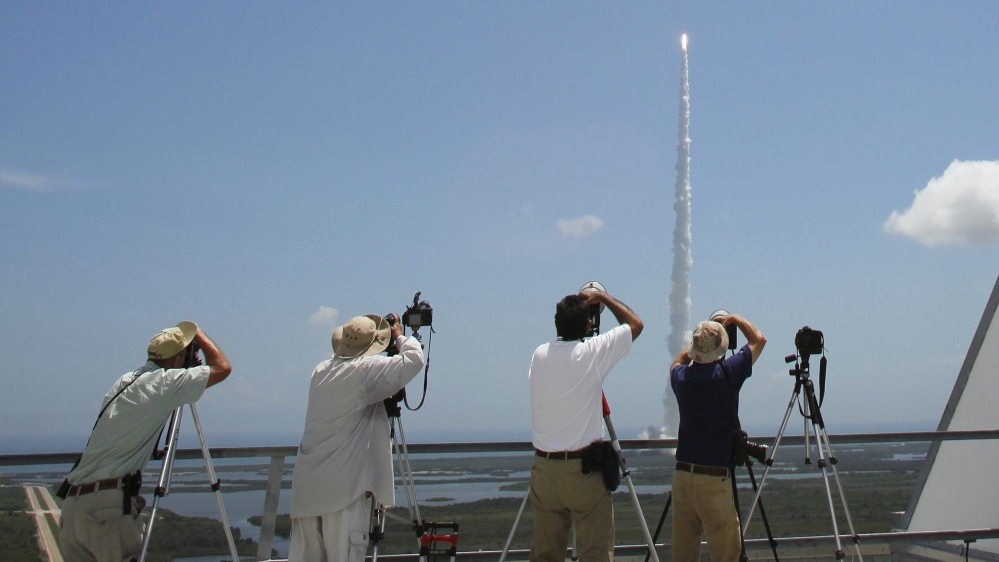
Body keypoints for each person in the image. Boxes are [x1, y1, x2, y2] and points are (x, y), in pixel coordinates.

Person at [59, 321, 232, 562]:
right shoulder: (164, 384)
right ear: (175, 360)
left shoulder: (125, 381)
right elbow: (222, 368)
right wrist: (199, 334)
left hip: (73, 508)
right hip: (105, 512)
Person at [289, 313, 425, 562]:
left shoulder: (320, 371)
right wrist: (399, 336)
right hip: (343, 493)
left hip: (307, 492)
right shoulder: (363, 372)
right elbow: (414, 360)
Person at [528, 289, 643, 562]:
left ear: (557, 323)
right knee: (595, 553)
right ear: (589, 325)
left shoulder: (539, 354)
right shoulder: (591, 353)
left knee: (545, 553)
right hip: (583, 471)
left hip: (544, 470)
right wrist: (603, 298)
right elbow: (635, 325)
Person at [668, 313, 766, 562]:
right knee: (726, 554)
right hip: (713, 480)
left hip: (682, 478)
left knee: (683, 554)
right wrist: (734, 319)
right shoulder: (727, 373)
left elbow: (676, 363)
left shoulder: (682, 378)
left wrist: (696, 347)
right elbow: (758, 340)